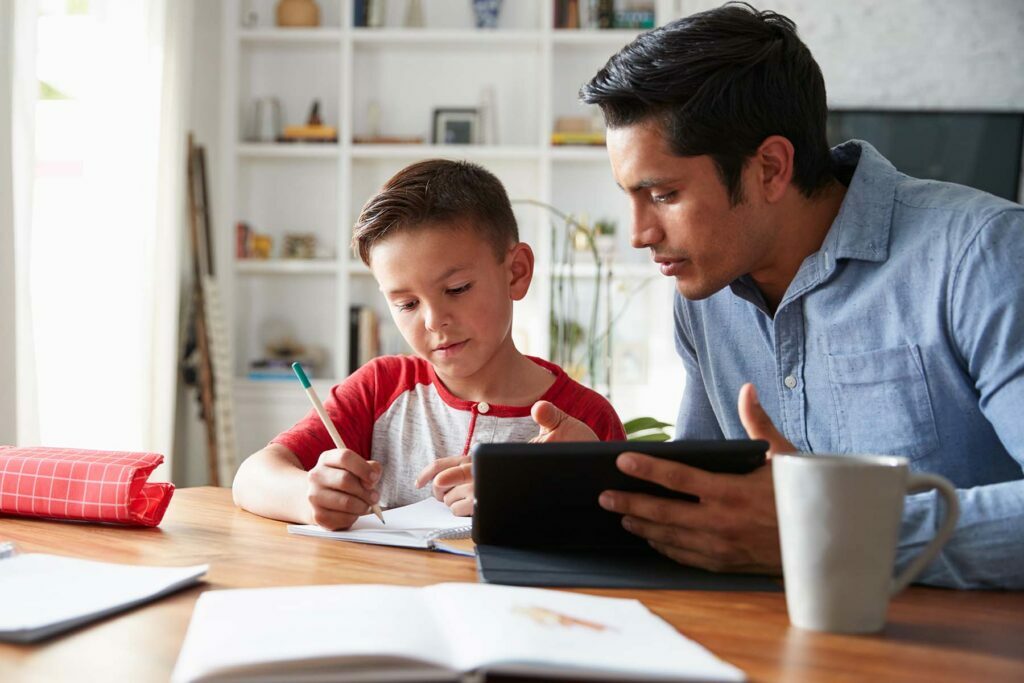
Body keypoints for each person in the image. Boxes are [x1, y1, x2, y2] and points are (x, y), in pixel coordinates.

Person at [529, 2, 1024, 589]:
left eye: (662, 194)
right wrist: (596, 480)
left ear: (770, 168)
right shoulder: (702, 295)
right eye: (630, 196)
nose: (639, 234)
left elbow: (787, 531)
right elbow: (706, 504)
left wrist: (826, 531)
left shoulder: (982, 253)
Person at [232, 159, 625, 530]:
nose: (434, 321)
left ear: (516, 272)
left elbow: (620, 538)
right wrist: (309, 496)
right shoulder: (380, 388)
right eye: (406, 304)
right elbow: (252, 476)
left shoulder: (584, 419)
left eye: (457, 289)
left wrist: (557, 493)